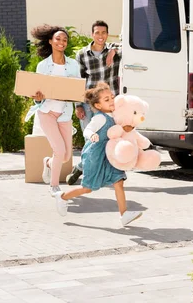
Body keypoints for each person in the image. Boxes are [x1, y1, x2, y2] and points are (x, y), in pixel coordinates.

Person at [55, 82, 142, 226]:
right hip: (94, 155)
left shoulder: (115, 116)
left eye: (112, 97)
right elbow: (87, 130)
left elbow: (118, 129)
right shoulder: (100, 118)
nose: (111, 101)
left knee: (118, 181)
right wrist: (92, 136)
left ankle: (124, 214)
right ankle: (62, 197)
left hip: (108, 155)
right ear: (98, 106)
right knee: (88, 188)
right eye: (106, 100)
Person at [24, 25, 81, 197]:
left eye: (64, 40)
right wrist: (38, 98)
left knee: (65, 157)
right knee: (59, 151)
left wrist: (76, 100)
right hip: (47, 112)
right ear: (50, 41)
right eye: (58, 39)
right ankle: (54, 186)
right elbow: (37, 95)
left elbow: (77, 89)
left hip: (64, 113)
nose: (61, 42)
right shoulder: (42, 66)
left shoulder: (73, 65)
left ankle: (48, 163)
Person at [67, 20, 121, 185]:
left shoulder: (114, 49)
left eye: (103, 33)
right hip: (88, 104)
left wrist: (113, 51)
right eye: (97, 33)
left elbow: (132, 46)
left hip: (108, 105)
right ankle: (86, 170)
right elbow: (79, 80)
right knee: (91, 140)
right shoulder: (82, 54)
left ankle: (81, 169)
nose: (100, 36)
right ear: (92, 34)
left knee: (108, 140)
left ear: (107, 34)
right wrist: (77, 105)